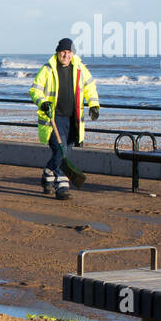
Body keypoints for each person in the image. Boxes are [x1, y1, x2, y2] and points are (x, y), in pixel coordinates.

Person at [30, 37, 100, 200]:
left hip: (73, 120)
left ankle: (47, 174)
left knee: (65, 153)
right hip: (53, 120)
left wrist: (94, 105)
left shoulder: (80, 68)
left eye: (69, 52)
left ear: (72, 53)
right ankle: (62, 187)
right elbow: (35, 90)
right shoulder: (47, 69)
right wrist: (43, 102)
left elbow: (90, 87)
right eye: (63, 52)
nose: (66, 55)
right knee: (61, 153)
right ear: (58, 52)